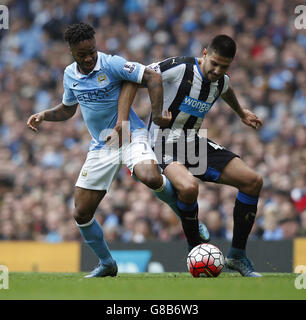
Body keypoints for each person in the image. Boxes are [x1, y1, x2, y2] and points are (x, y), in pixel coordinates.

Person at [26, 22, 197, 278]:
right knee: (81, 213)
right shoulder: (70, 75)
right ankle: (107, 263)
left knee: (150, 176)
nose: (88, 57)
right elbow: (68, 108)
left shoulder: (111, 64)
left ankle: (189, 219)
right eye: (81, 54)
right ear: (71, 52)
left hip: (130, 135)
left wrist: (159, 112)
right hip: (102, 145)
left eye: (91, 51)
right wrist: (44, 115)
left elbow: (153, 76)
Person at [121, 34, 264, 277]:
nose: (218, 71)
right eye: (215, 63)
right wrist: (128, 119)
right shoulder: (180, 68)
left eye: (224, 66)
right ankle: (195, 247)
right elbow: (136, 77)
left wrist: (240, 112)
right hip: (162, 143)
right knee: (188, 187)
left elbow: (226, 89)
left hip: (193, 143)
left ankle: (237, 255)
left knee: (253, 181)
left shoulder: (221, 81)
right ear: (205, 53)